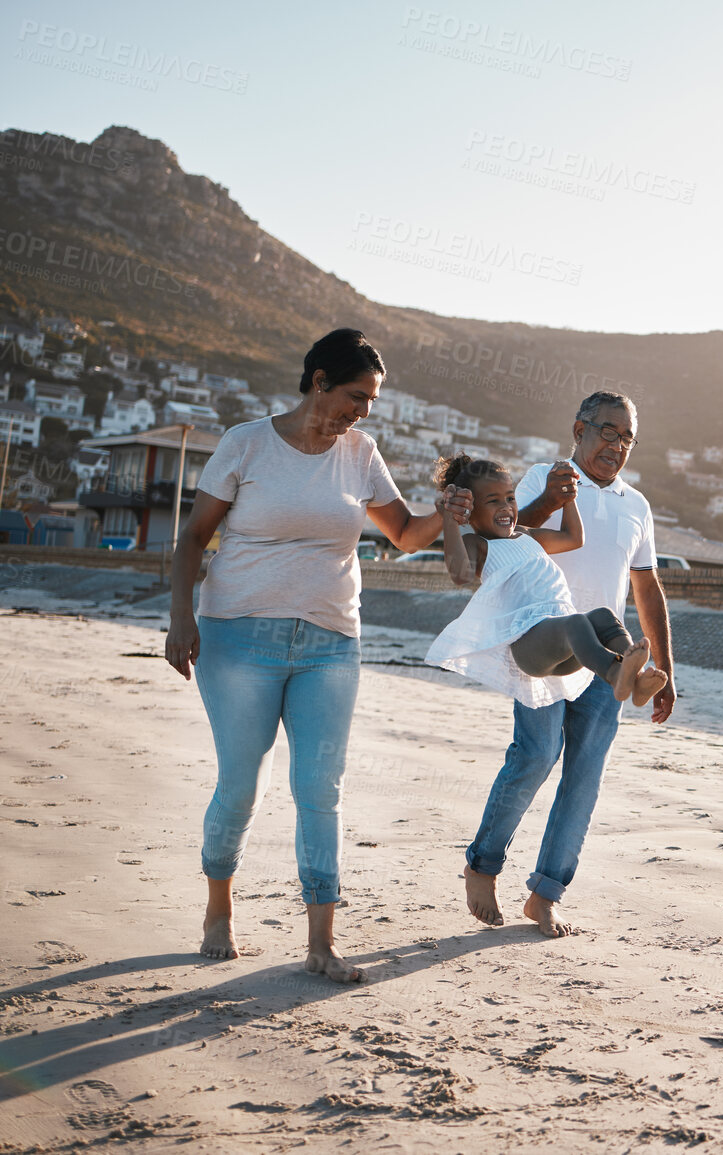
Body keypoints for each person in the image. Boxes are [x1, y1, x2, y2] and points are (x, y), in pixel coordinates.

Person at [164, 328, 468, 982]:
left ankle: (321, 941)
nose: (363, 411)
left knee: (319, 788)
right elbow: (193, 537)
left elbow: (404, 535)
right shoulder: (246, 442)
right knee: (242, 785)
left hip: (331, 640)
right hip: (237, 635)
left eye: (372, 402)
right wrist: (181, 617)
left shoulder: (361, 453)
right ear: (320, 380)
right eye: (356, 396)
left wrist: (445, 512)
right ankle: (219, 904)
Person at [462, 390, 676, 937]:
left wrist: (667, 667)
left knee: (584, 776)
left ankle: (545, 893)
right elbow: (504, 535)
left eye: (627, 437)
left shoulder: (636, 505)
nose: (617, 445)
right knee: (535, 756)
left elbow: (646, 585)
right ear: (579, 428)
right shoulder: (540, 478)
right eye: (608, 431)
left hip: (609, 657)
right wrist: (550, 501)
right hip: (544, 641)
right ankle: (483, 864)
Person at [422, 453, 667, 707]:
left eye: (510, 498)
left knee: (604, 617)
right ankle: (615, 674)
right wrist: (450, 518)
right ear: (470, 512)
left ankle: (636, 681)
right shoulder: (478, 544)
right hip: (530, 643)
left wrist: (568, 498)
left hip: (566, 642)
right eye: (493, 501)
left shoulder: (525, 534)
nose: (506, 507)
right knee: (577, 623)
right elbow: (459, 574)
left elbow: (573, 538)